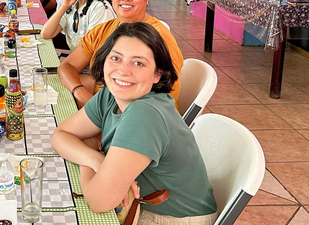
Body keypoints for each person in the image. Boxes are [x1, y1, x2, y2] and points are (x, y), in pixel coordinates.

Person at [51, 22, 217, 225]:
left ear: (157, 74)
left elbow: (99, 200)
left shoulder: (144, 114)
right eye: (115, 58)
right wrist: (95, 159)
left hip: (171, 218)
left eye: (138, 63)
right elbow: (60, 135)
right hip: (144, 207)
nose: (123, 71)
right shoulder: (110, 95)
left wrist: (88, 148)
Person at [57, 0, 184, 110]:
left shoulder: (158, 37)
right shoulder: (104, 29)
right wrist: (79, 91)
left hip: (141, 115)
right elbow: (68, 66)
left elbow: (163, 93)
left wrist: (100, 112)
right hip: (103, 106)